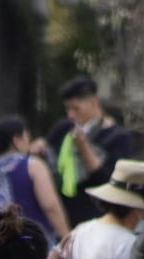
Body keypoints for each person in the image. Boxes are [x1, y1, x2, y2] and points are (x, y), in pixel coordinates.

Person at [37, 76, 135, 226]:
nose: (71, 115)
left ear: (93, 102)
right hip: (63, 216)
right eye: (67, 109)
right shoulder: (63, 128)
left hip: (96, 218)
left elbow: (107, 180)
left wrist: (84, 148)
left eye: (76, 109)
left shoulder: (119, 137)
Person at [0, 115, 70, 242]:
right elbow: (50, 206)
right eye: (26, 137)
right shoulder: (32, 165)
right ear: (16, 140)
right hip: (31, 247)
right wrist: (66, 237)